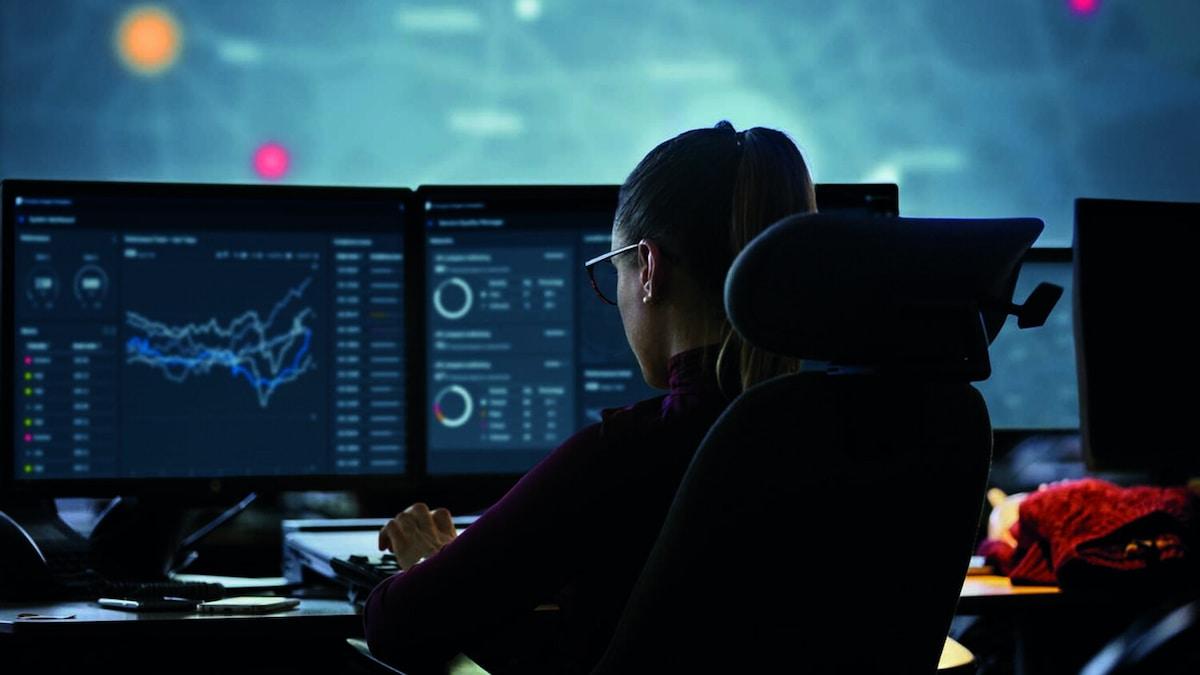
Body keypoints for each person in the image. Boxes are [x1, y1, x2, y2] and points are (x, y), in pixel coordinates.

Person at [364, 121, 817, 674]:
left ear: (648, 269)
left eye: (614, 271)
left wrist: (435, 564)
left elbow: (397, 626)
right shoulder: (870, 436)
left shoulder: (621, 459)